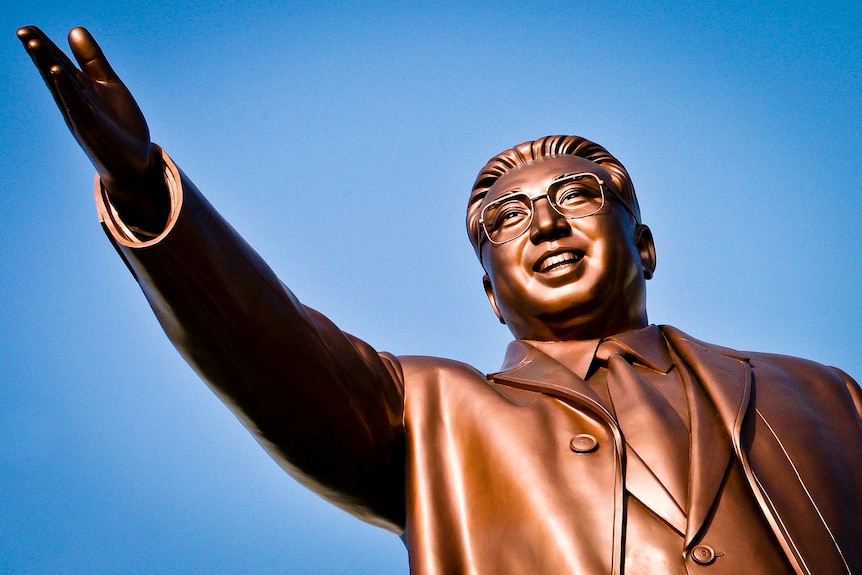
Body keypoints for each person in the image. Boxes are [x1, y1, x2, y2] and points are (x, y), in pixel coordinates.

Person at [18, 26, 862, 575]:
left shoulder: (824, 396)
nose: (543, 226)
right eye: (507, 220)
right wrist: (141, 188)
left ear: (644, 246)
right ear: (491, 294)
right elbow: (262, 342)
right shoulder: (428, 414)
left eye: (576, 198)